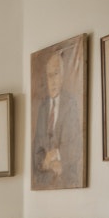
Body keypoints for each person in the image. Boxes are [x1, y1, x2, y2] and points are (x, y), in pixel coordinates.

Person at [32, 49, 83, 189]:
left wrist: (57, 154)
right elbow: (36, 150)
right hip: (44, 182)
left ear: (62, 76)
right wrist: (46, 162)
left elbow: (76, 145)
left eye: (56, 74)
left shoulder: (71, 104)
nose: (53, 81)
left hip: (67, 180)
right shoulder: (43, 108)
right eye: (49, 76)